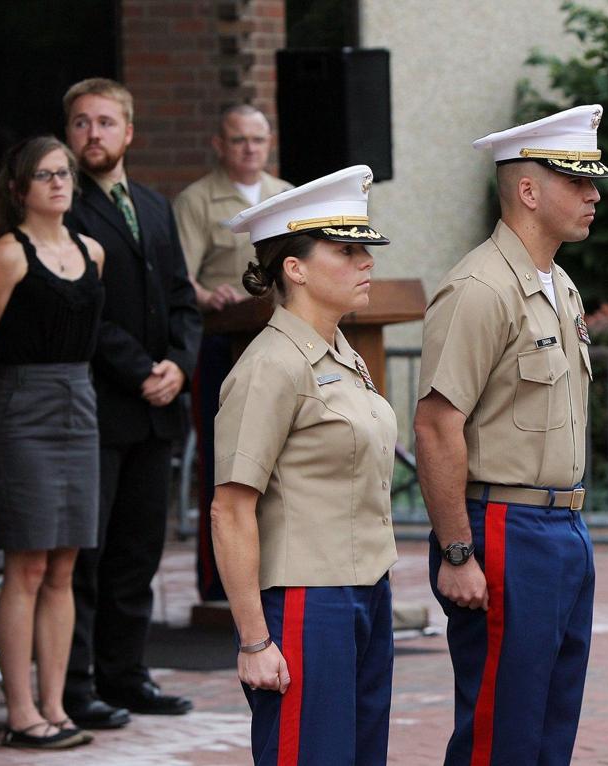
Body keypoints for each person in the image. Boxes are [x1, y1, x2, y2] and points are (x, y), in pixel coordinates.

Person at [414, 105, 607, 765]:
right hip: (502, 526)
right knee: (502, 730)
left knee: (551, 724)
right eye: (577, 181)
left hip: (561, 527)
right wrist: (457, 551)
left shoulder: (561, 286)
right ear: (529, 191)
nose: (594, 194)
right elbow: (438, 426)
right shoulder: (478, 288)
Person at [211, 165, 398, 765]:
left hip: (366, 588)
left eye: (365, 247)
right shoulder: (271, 366)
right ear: (294, 267)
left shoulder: (341, 352)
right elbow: (231, 509)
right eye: (346, 250)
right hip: (305, 598)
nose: (365, 260)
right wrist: (253, 639)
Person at [0, 135, 105, 749]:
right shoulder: (6, 255)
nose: (59, 183)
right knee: (27, 564)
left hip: (79, 402)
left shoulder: (93, 252)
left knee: (66, 565)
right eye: (44, 175)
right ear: (19, 189)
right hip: (21, 407)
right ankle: (20, 712)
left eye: (64, 173)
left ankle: (55, 704)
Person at [61, 77, 202, 728]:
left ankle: (127, 675)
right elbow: (83, 311)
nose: (95, 134)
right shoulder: (61, 210)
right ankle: (76, 684)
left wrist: (180, 363)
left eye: (106, 122)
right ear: (69, 135)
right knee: (88, 556)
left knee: (138, 554)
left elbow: (181, 297)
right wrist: (142, 368)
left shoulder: (152, 204)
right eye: (83, 123)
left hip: (158, 407)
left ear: (129, 133)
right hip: (101, 406)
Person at [173, 103, 292, 602]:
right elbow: (179, 276)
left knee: (282, 463)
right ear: (220, 145)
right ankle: (218, 581)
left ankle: (280, 571)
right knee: (226, 463)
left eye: (257, 140)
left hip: (282, 343)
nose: (249, 148)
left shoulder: (285, 196)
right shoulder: (196, 200)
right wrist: (208, 296)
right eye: (238, 139)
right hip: (223, 343)